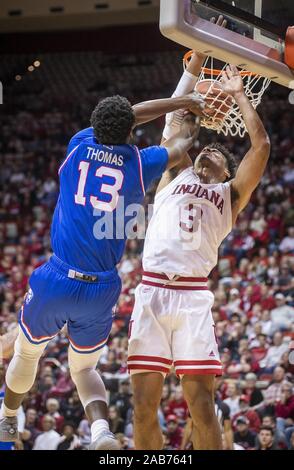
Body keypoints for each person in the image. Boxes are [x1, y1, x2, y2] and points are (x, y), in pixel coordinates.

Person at [0, 92, 204, 450]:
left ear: (96, 127)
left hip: (58, 277)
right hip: (102, 288)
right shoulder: (141, 164)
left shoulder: (78, 144)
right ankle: (101, 433)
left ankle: (7, 418)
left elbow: (128, 117)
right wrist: (190, 112)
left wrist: (180, 101)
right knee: (83, 369)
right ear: (130, 132)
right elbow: (182, 143)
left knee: (27, 352)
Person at [128, 44, 271, 450]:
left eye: (217, 155)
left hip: (192, 298)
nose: (208, 152)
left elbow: (260, 147)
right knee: (142, 406)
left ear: (227, 172)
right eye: (204, 150)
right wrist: (192, 74)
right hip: (152, 290)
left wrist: (240, 95)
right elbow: (174, 124)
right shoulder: (175, 172)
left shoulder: (231, 196)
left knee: (202, 407)